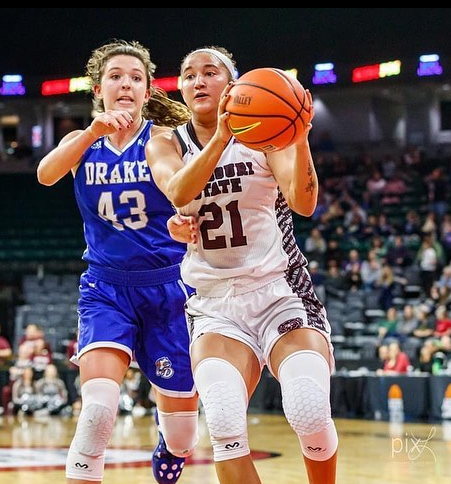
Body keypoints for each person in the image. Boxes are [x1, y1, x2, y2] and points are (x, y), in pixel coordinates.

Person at [145, 47, 338, 483]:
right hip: (215, 304)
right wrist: (221, 138)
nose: (198, 81)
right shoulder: (165, 141)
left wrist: (300, 135)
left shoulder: (268, 134)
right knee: (225, 424)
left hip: (279, 291)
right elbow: (178, 191)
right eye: (189, 74)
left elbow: (304, 203)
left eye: (209, 72)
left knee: (308, 408)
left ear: (232, 85)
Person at [37, 39, 199, 484]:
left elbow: (179, 189)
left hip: (171, 290)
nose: (125, 83)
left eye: (135, 78)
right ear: (98, 89)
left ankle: (171, 445)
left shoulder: (163, 141)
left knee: (185, 436)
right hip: (106, 289)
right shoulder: (80, 142)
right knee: (97, 414)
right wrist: (92, 132)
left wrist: (183, 219)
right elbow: (45, 174)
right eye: (115, 76)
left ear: (148, 92)